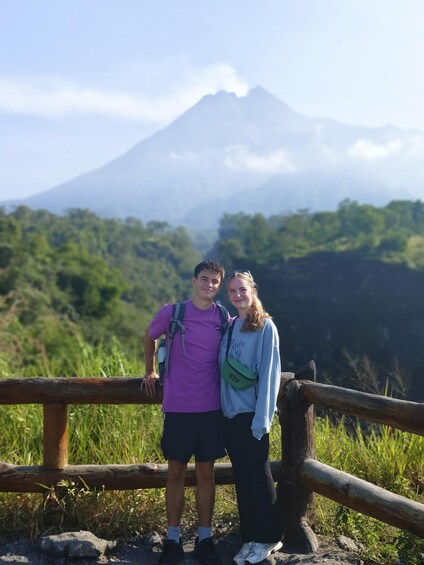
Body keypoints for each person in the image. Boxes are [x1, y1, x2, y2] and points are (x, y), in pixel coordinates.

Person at [142, 260, 228, 565]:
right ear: (194, 281)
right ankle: (173, 539)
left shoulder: (222, 317)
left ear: (220, 284)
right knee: (175, 473)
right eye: (204, 279)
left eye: (215, 281)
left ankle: (205, 539)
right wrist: (150, 371)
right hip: (178, 407)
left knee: (206, 473)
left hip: (211, 409)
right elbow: (149, 335)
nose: (209, 285)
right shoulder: (173, 312)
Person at [219, 270, 283, 565]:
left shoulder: (265, 326)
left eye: (242, 289)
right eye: (232, 291)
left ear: (253, 290)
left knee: (259, 476)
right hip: (230, 415)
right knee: (242, 478)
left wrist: (262, 421)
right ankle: (250, 538)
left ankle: (269, 537)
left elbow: (270, 376)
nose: (237, 295)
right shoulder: (232, 325)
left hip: (252, 416)